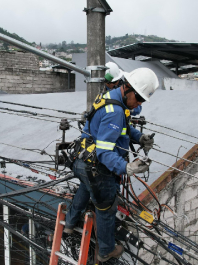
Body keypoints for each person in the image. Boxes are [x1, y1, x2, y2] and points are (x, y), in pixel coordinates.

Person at [64, 68, 159, 262]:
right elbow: (105, 153)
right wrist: (127, 168)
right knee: (106, 207)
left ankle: (69, 224)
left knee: (85, 186)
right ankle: (106, 250)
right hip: (96, 167)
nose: (139, 104)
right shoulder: (115, 111)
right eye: (139, 99)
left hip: (81, 159)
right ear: (128, 88)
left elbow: (124, 127)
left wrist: (139, 137)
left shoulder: (112, 98)